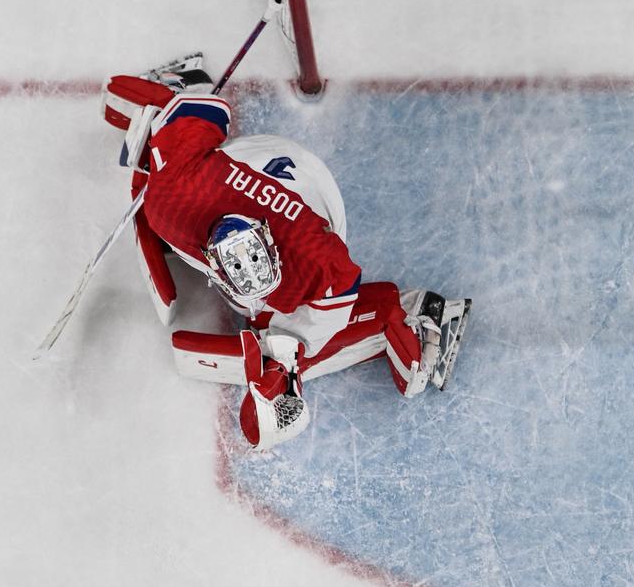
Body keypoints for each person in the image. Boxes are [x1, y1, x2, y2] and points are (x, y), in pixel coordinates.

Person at [101, 54, 471, 450]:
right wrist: (157, 107)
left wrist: (288, 355)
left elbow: (341, 288)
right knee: (158, 182)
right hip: (241, 170)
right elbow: (200, 109)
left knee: (280, 333)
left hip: (311, 188)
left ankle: (416, 314)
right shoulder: (176, 197)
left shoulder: (318, 261)